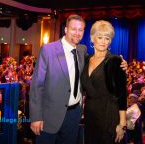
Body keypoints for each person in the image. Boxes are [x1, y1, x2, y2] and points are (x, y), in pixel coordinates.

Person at [30, 15, 127, 144]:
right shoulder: (49, 50)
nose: (77, 33)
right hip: (50, 117)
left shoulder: (83, 51)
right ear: (65, 29)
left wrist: (122, 123)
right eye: (73, 29)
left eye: (80, 30)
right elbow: (37, 85)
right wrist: (36, 117)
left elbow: (120, 94)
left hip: (78, 115)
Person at [80, 20, 127, 144]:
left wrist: (122, 124)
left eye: (107, 38)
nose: (103, 41)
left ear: (110, 41)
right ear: (92, 38)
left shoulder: (116, 61)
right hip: (90, 115)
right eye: (99, 37)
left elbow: (122, 95)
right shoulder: (85, 60)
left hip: (109, 115)